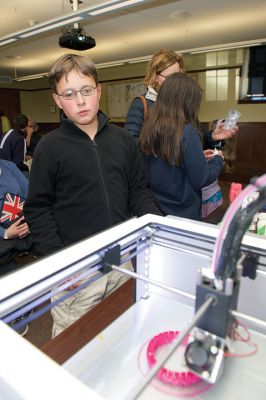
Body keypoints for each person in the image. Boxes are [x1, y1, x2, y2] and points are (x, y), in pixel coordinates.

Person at [23, 53, 161, 336]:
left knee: (122, 329)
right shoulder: (49, 148)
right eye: (70, 94)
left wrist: (158, 225)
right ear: (58, 100)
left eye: (86, 91)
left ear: (98, 91)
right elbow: (37, 209)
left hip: (121, 257)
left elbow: (137, 190)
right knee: (74, 342)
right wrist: (61, 264)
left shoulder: (123, 140)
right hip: (76, 269)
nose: (81, 101)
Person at [139, 73, 225, 221]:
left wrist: (197, 158)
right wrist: (218, 160)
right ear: (186, 103)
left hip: (158, 209)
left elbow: (170, 164)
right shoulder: (186, 132)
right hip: (185, 213)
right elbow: (201, 179)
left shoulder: (149, 129)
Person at [125, 48, 239, 149]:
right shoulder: (141, 104)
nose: (175, 82)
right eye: (169, 77)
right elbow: (131, 145)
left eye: (178, 76)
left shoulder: (182, 102)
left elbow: (196, 136)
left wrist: (213, 136)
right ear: (155, 77)